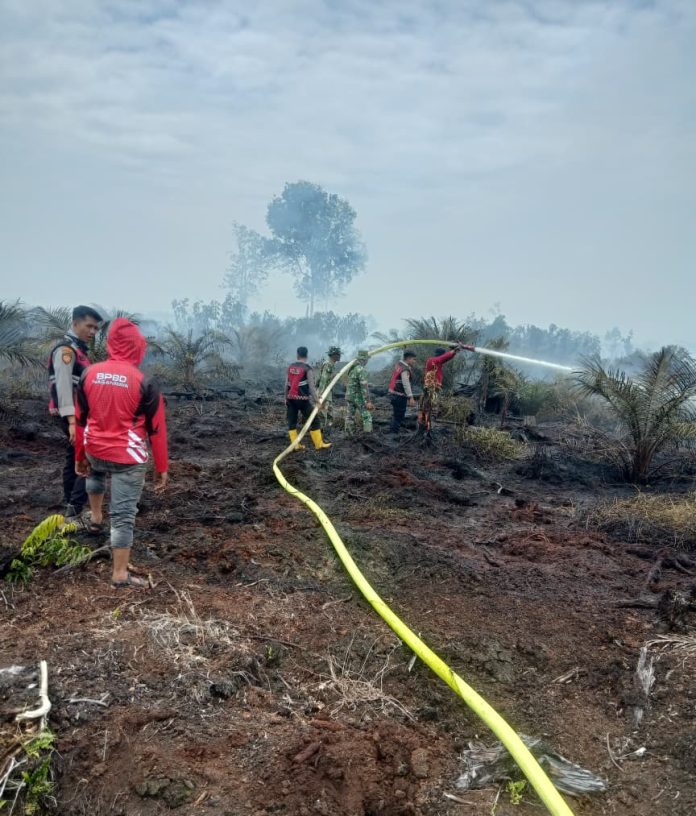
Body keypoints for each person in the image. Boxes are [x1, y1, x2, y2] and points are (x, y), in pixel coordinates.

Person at [75, 318, 168, 588]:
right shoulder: (144, 381)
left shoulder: (89, 373)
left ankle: (94, 518)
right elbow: (157, 430)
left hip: (94, 449)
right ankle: (119, 574)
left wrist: (79, 455)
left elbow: (82, 420)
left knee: (96, 473)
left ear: (111, 344)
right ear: (137, 346)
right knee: (124, 514)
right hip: (127, 459)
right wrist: (162, 466)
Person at [47, 304, 103, 518]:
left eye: (96, 328)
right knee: (86, 457)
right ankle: (74, 510)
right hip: (74, 417)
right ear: (75, 323)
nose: (92, 332)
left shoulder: (78, 350)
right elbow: (62, 387)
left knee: (73, 457)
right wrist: (72, 422)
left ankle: (70, 504)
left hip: (78, 416)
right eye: (89, 326)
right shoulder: (66, 351)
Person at [286, 346, 331, 450]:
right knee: (315, 421)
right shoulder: (307, 369)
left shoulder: (290, 367)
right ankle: (318, 444)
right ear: (307, 355)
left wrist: (286, 398)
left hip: (291, 399)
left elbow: (286, 384)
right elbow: (311, 387)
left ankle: (295, 446)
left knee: (292, 422)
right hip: (302, 400)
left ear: (297, 354)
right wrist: (317, 401)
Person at [418, 344, 466, 437]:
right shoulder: (433, 360)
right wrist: (454, 350)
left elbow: (446, 358)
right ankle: (425, 429)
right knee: (428, 407)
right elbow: (444, 358)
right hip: (431, 388)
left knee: (429, 407)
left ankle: (426, 427)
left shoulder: (437, 362)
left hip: (432, 387)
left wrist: (454, 352)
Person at [388, 350, 418, 434]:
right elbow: (406, 384)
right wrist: (411, 397)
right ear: (408, 358)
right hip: (399, 396)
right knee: (399, 415)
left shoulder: (399, 365)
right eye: (413, 359)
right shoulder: (405, 369)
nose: (414, 361)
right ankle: (393, 435)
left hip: (393, 393)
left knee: (396, 414)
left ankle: (393, 430)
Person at [345, 350, 374, 435]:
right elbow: (364, 387)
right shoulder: (361, 369)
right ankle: (368, 436)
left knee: (350, 417)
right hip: (358, 397)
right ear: (364, 360)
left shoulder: (352, 369)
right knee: (367, 416)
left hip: (349, 396)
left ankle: (349, 436)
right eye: (367, 359)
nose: (367, 361)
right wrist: (368, 401)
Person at [316, 346, 342, 431]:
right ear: (334, 355)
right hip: (324, 393)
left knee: (329, 411)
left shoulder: (331, 364)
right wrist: (321, 394)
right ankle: (320, 431)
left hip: (327, 392)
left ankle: (327, 429)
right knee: (322, 412)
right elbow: (323, 380)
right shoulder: (328, 364)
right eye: (338, 354)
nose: (339, 356)